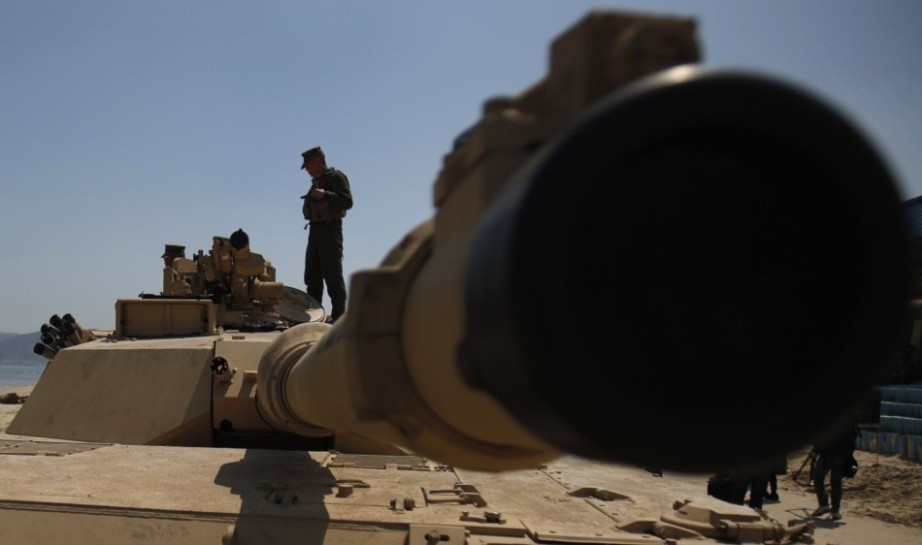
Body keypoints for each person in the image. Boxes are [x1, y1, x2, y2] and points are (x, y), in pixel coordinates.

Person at [300, 146, 353, 323]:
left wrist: (326, 195)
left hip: (330, 230)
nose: (307, 170)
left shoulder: (336, 177)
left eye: (308, 165)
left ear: (317, 161)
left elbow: (347, 201)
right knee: (312, 276)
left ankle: (338, 318)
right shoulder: (316, 183)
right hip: (315, 231)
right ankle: (314, 317)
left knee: (332, 275)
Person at [811, 420, 860, 521]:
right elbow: (853, 438)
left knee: (818, 477)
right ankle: (835, 510)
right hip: (841, 455)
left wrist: (816, 450)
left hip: (828, 453)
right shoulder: (849, 419)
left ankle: (824, 504)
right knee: (836, 482)